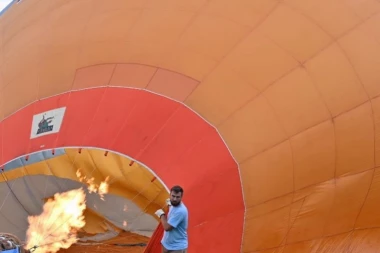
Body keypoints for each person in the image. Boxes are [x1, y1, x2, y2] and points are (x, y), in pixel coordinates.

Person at [155, 185, 188, 253]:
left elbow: (167, 228)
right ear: (170, 195)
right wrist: (169, 205)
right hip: (166, 244)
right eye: (173, 196)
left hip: (177, 248)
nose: (175, 199)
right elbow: (173, 210)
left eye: (177, 197)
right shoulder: (173, 205)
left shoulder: (181, 211)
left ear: (181, 197)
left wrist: (162, 215)